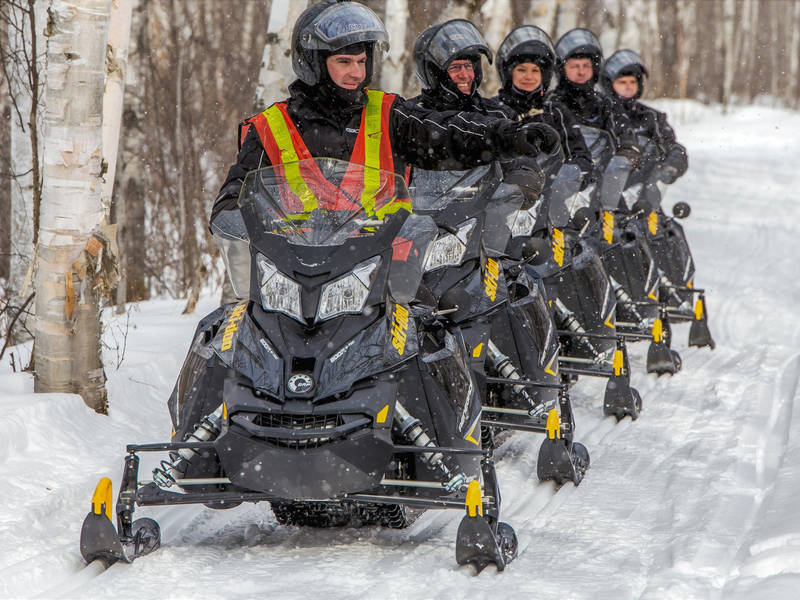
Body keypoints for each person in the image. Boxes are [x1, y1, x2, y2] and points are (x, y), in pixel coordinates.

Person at [211, 2, 554, 301]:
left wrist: (511, 136)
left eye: (361, 61)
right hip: (290, 281)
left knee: (438, 334)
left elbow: (448, 133)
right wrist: (240, 222)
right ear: (313, 62)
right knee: (223, 340)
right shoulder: (270, 127)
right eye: (344, 61)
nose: (356, 73)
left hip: (383, 276)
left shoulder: (388, 114)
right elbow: (233, 199)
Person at [409, 18, 559, 178]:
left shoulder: (498, 113)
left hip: (488, 195)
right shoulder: (413, 116)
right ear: (434, 73)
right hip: (425, 195)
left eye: (468, 66)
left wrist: (523, 176)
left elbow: (521, 166)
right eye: (455, 67)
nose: (465, 75)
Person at [491, 25, 594, 186]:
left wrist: (578, 172)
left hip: (552, 192)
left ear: (543, 75)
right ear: (509, 73)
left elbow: (578, 150)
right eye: (522, 70)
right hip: (506, 192)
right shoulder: (495, 109)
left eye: (535, 70)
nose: (528, 76)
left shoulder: (555, 111)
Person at [548, 28, 640, 168]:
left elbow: (623, 131)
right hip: (559, 175)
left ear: (594, 68)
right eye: (574, 66)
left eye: (586, 66)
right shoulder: (550, 103)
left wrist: (627, 150)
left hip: (601, 174)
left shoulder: (607, 104)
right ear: (562, 69)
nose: (581, 72)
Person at [600, 49, 687, 186]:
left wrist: (673, 162)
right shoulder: (600, 113)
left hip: (640, 189)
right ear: (609, 84)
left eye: (632, 82)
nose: (628, 87)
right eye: (622, 82)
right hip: (601, 187)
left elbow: (670, 144)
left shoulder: (651, 117)